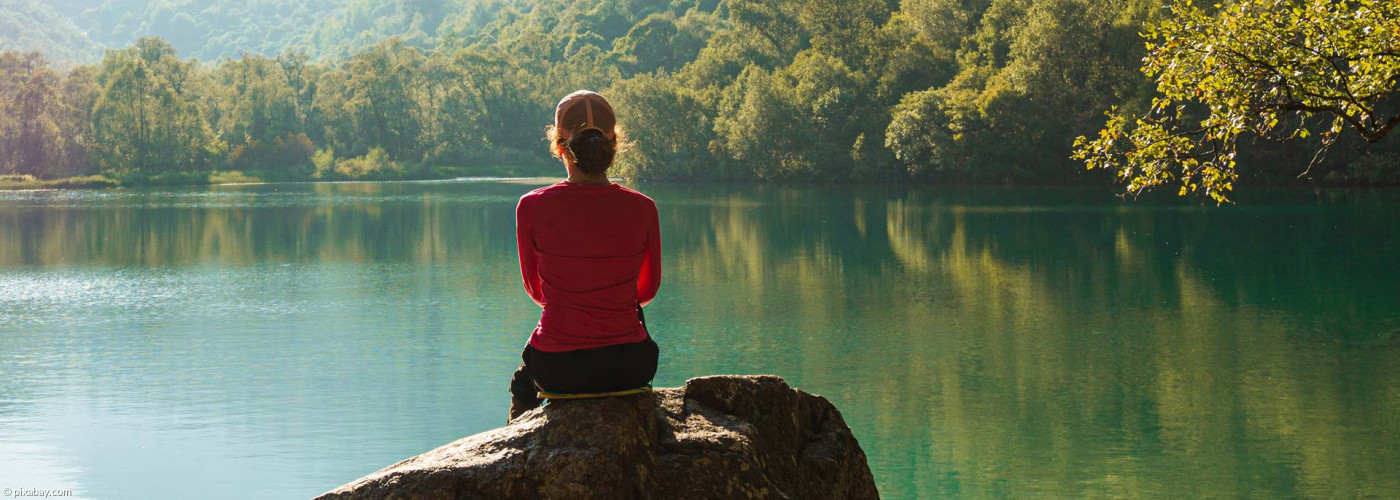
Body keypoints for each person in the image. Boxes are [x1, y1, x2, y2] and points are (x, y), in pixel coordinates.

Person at [508, 90, 661, 421]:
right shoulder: (644, 208)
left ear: (560, 147)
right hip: (630, 366)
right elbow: (646, 293)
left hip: (557, 368)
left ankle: (515, 451)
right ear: (613, 145)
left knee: (523, 385)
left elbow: (537, 293)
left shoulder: (531, 206)